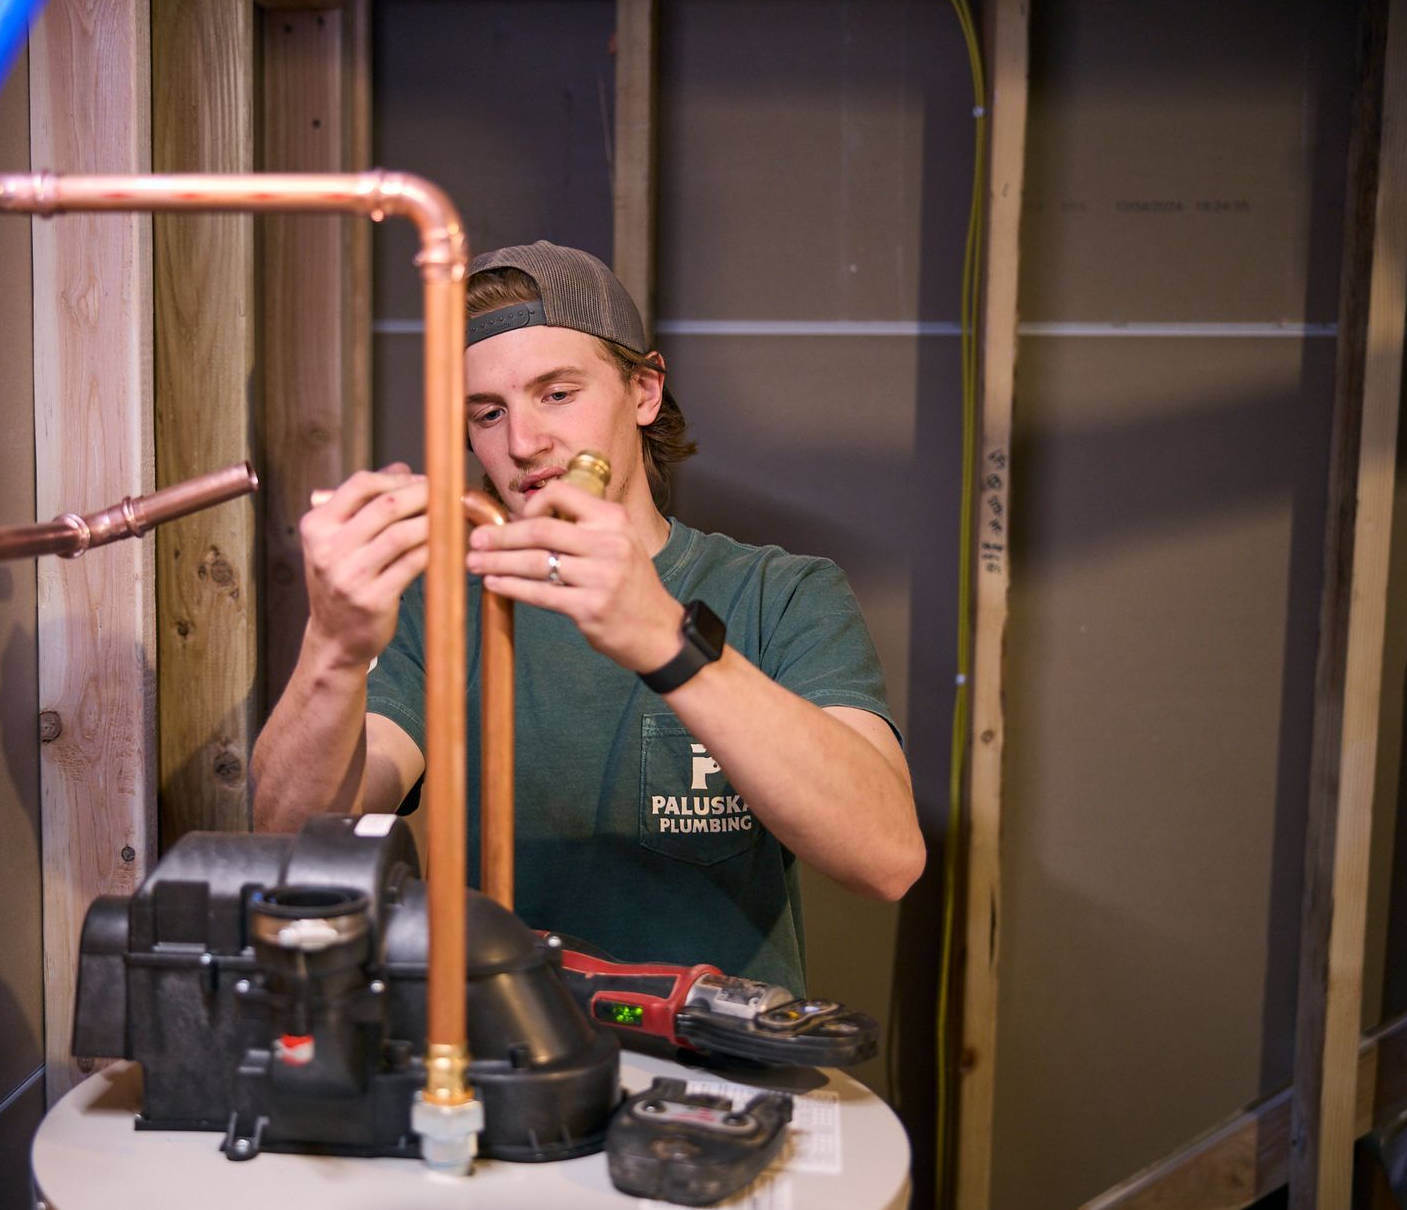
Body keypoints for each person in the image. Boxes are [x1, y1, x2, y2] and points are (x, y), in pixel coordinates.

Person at [251, 241, 921, 994]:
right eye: (489, 413)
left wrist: (667, 642)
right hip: (498, 1075)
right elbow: (291, 842)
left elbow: (887, 858)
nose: (523, 443)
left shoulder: (781, 593)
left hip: (721, 1086)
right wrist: (333, 650)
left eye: (557, 393)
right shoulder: (440, 602)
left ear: (644, 391)